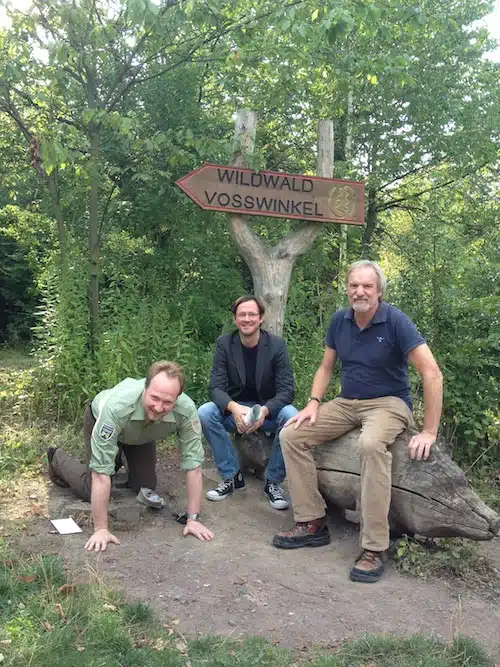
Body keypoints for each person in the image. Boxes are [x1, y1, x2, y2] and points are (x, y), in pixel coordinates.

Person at [272, 260, 443, 583]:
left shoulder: (395, 321)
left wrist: (430, 430)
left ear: (378, 291)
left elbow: (431, 373)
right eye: (354, 285)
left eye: (367, 286)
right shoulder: (340, 321)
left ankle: (375, 546)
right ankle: (311, 521)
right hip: (347, 401)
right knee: (292, 434)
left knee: (369, 444)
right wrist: (312, 403)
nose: (359, 291)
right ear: (347, 289)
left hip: (389, 403)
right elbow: (325, 367)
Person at [47, 360, 214, 551]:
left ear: (178, 397)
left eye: (168, 402)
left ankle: (119, 457)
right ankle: (56, 458)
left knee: (146, 487)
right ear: (145, 387)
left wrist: (192, 519)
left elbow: (194, 466)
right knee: (91, 487)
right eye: (155, 398)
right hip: (102, 421)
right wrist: (101, 529)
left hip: (142, 434)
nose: (159, 407)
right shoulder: (117, 408)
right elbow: (101, 475)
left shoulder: (186, 411)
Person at [198, 295, 297, 509]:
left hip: (266, 412)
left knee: (291, 415)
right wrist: (234, 408)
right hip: (236, 411)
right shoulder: (224, 344)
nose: (247, 319)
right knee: (205, 412)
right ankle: (231, 476)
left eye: (252, 314)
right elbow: (215, 387)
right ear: (235, 319)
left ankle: (273, 482)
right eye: (242, 314)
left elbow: (287, 391)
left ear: (261, 318)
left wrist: (264, 411)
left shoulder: (276, 346)